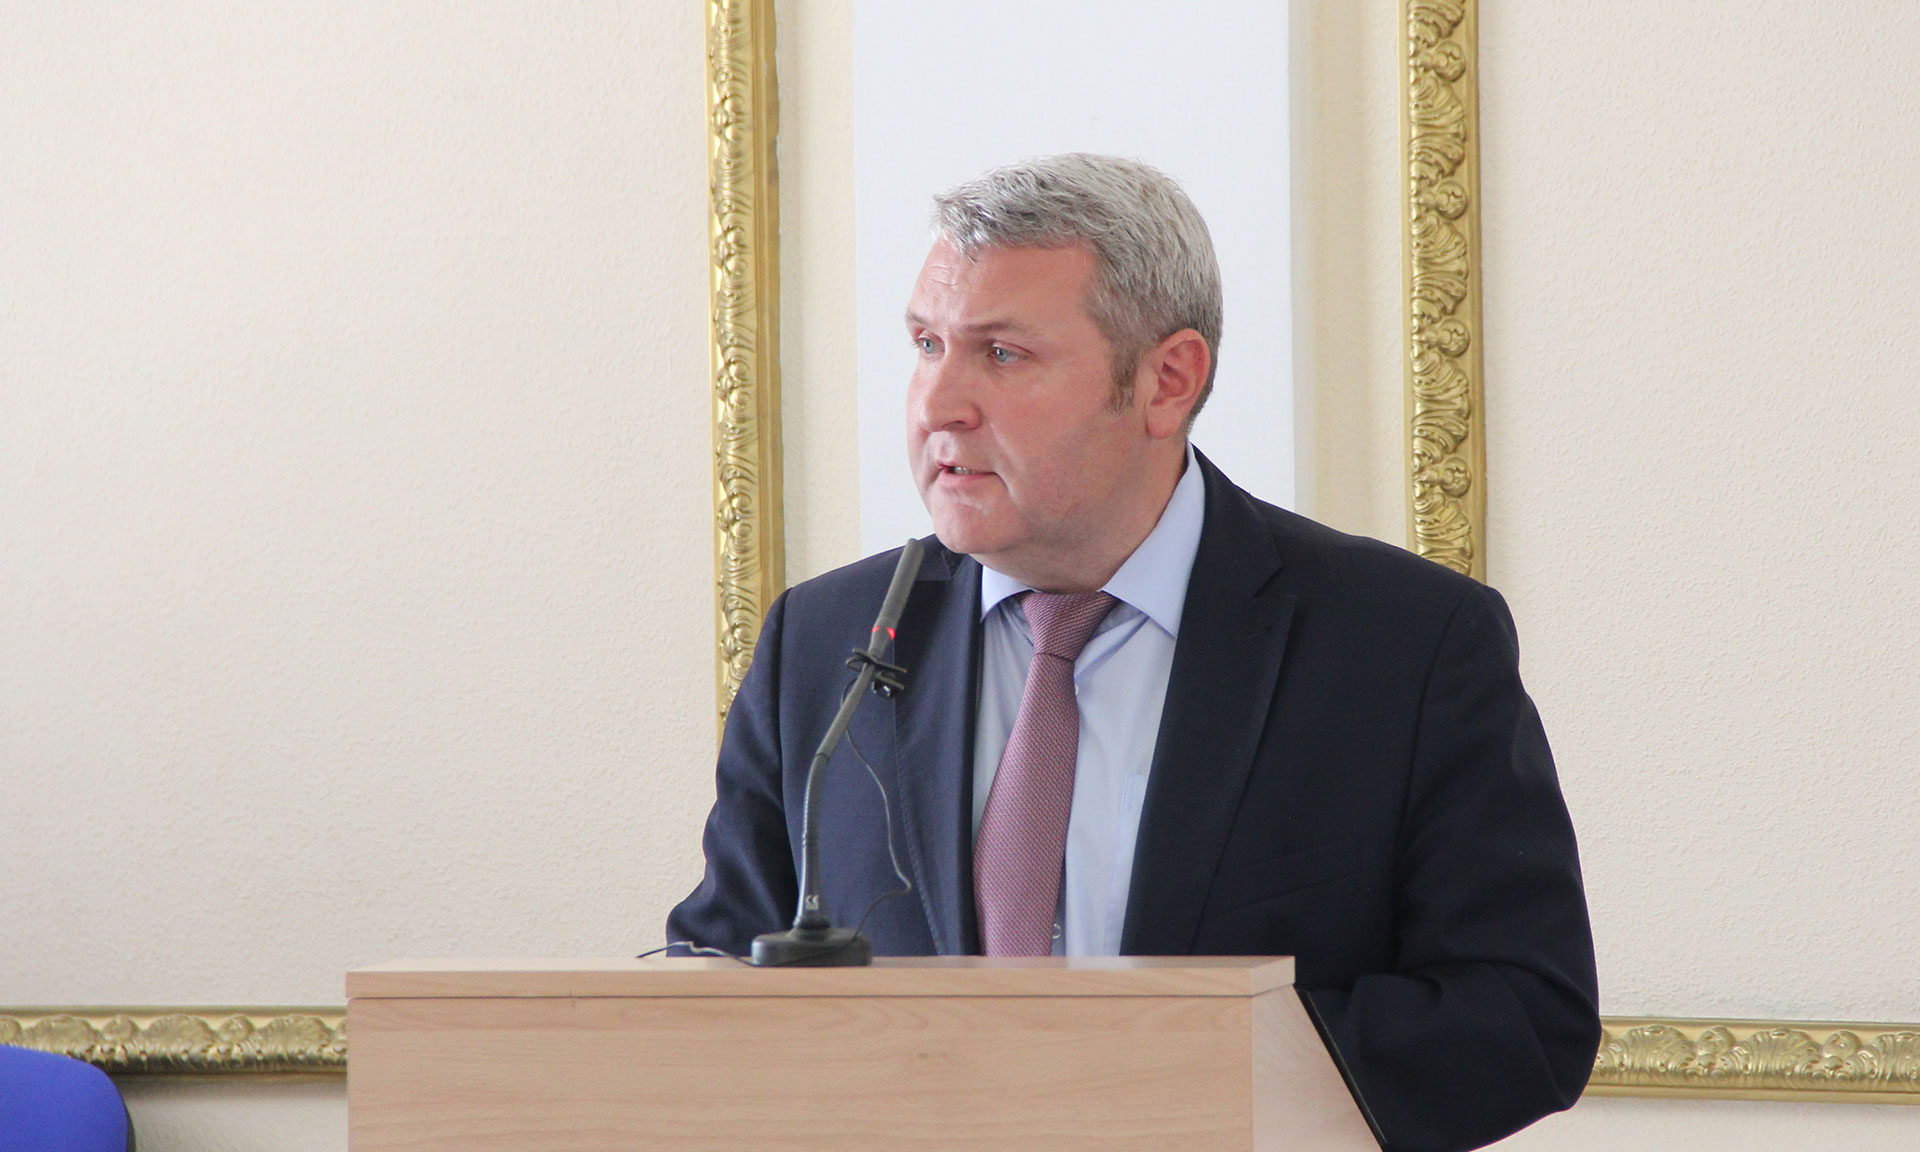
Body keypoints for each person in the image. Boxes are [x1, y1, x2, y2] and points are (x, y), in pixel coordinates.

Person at [668, 153, 1599, 1152]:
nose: (939, 403)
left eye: (1002, 354)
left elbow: (1520, 1013)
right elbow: (718, 969)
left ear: (1167, 381)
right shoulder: (824, 641)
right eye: (928, 344)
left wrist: (1152, 1078)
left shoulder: (1401, 644)